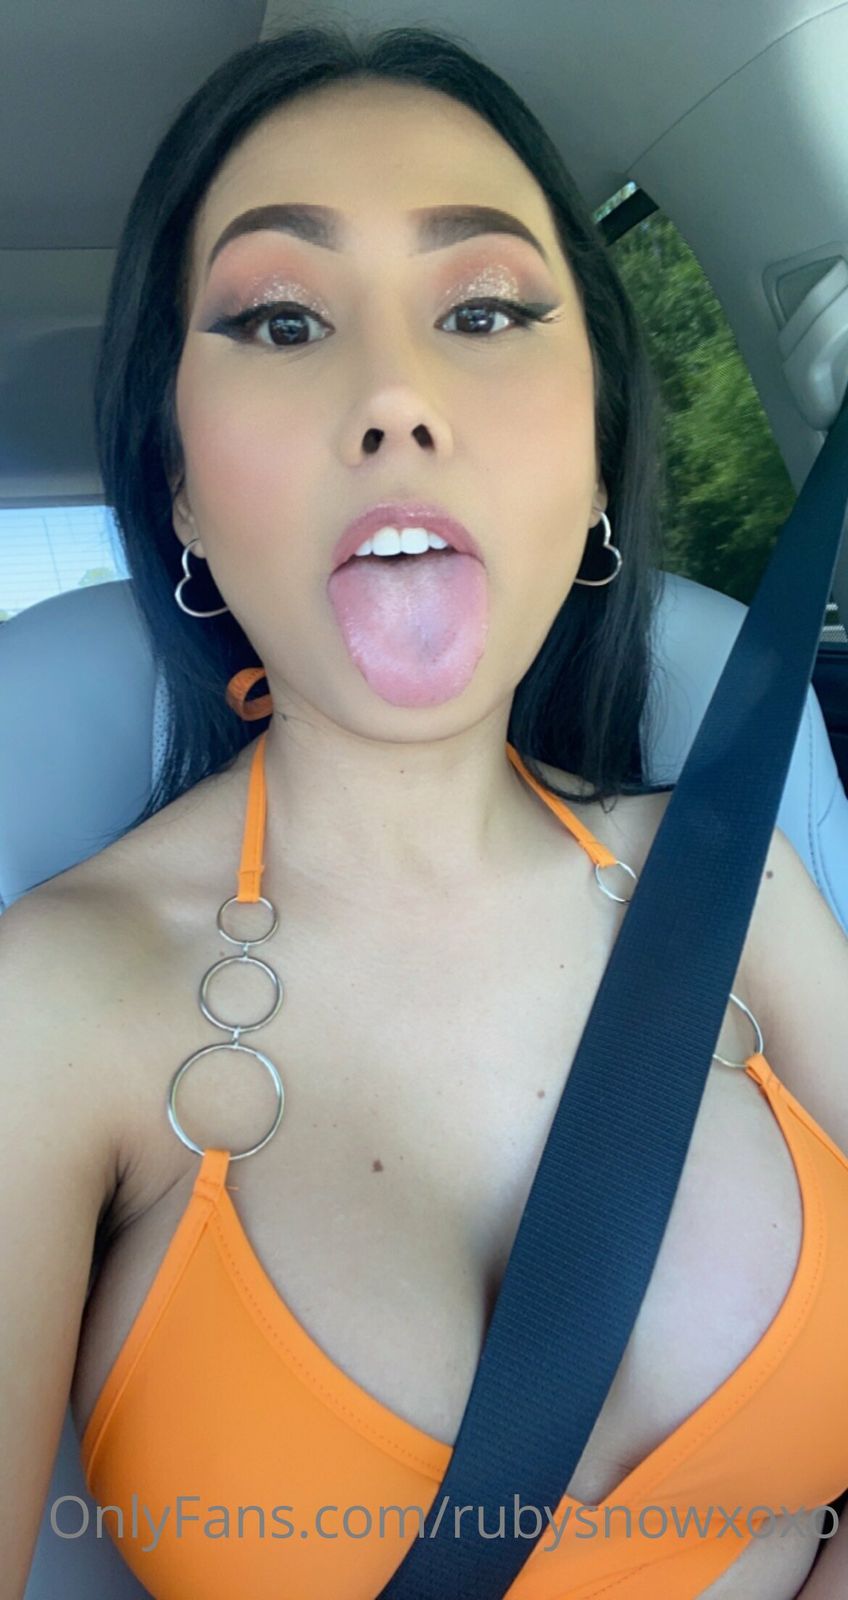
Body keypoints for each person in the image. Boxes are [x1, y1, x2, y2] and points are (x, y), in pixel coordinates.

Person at [5, 22, 848, 1600]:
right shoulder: (51, 1004)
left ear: (594, 451)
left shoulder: (743, 890)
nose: (395, 395)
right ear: (179, 488)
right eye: (279, 319)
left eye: (483, 309)